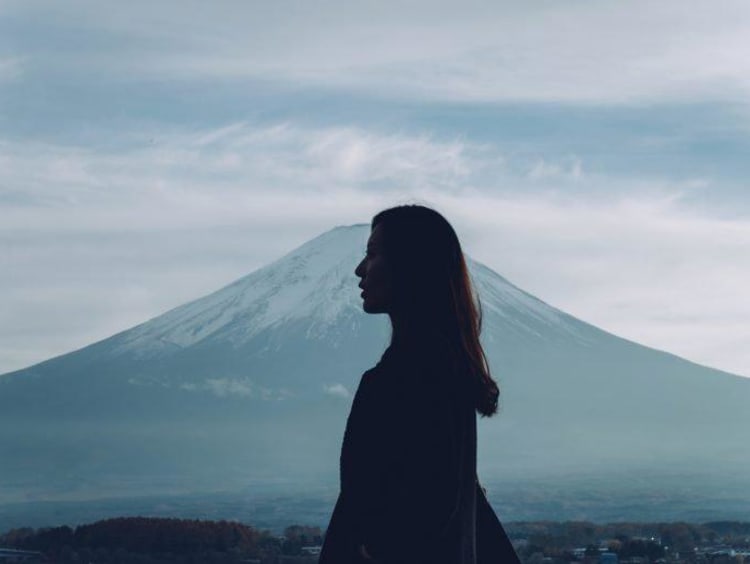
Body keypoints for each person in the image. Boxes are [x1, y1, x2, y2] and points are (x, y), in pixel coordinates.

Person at [318, 204, 519, 564]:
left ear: (410, 268)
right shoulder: (448, 378)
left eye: (372, 254)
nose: (359, 270)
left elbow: (385, 511)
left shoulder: (397, 383)